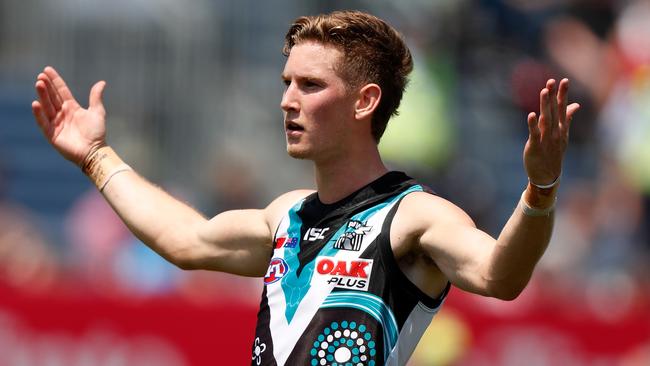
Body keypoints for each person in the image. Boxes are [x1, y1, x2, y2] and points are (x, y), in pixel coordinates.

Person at [31, 10, 579, 366]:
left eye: (310, 85)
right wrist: (96, 157)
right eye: (286, 82)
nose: (287, 100)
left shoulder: (414, 216)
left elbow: (499, 276)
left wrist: (541, 186)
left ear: (364, 102)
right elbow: (186, 239)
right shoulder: (287, 213)